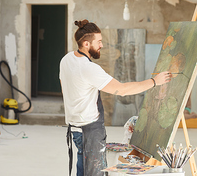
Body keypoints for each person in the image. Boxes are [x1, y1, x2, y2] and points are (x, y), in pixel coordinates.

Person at [59, 19, 172, 176]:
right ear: (86, 44)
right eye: (98, 41)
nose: (102, 45)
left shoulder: (67, 59)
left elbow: (64, 87)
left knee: (82, 166)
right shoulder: (89, 69)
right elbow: (122, 90)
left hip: (75, 128)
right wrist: (154, 81)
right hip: (89, 131)